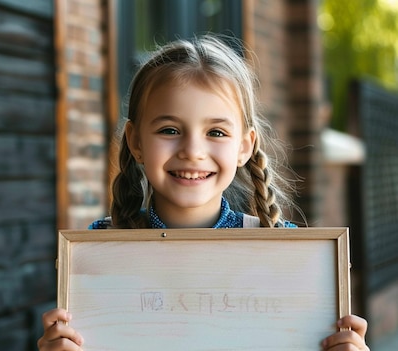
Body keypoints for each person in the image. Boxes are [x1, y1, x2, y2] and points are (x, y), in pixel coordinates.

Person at [38, 35, 369, 351]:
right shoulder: (98, 255)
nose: (193, 151)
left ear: (244, 146)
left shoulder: (289, 255)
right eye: (170, 130)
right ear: (136, 141)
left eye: (216, 132)